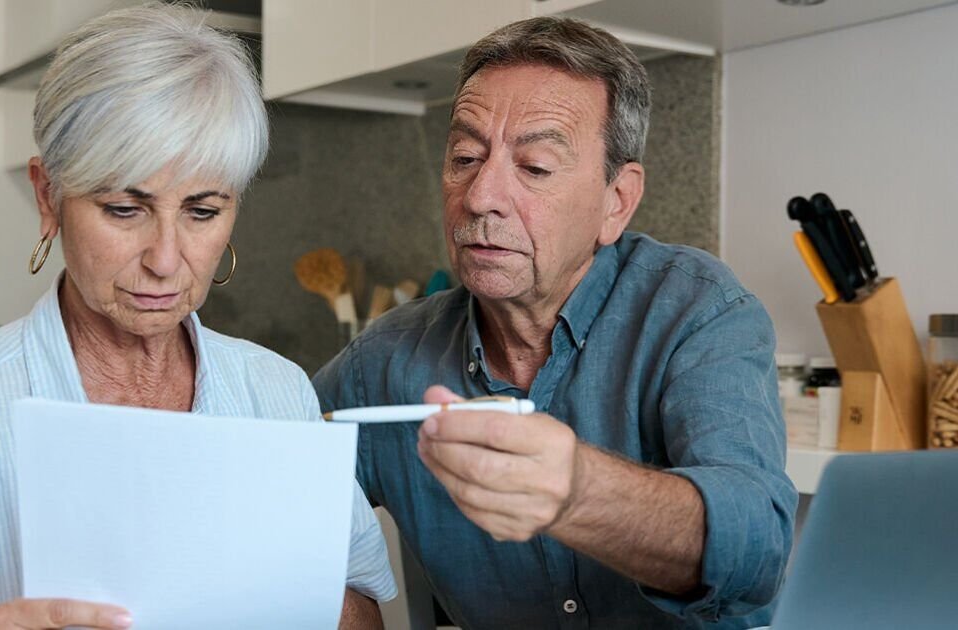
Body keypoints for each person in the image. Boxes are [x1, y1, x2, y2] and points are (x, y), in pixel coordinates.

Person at [0, 6, 394, 629]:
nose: (165, 260)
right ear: (48, 197)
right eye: (125, 209)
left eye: (203, 212)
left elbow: (357, 609)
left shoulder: (277, 395)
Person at [314, 16, 796, 629]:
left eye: (535, 167)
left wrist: (579, 492)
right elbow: (260, 493)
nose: (480, 195)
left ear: (615, 201)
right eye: (464, 156)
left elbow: (757, 550)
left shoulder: (695, 311)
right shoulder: (385, 359)